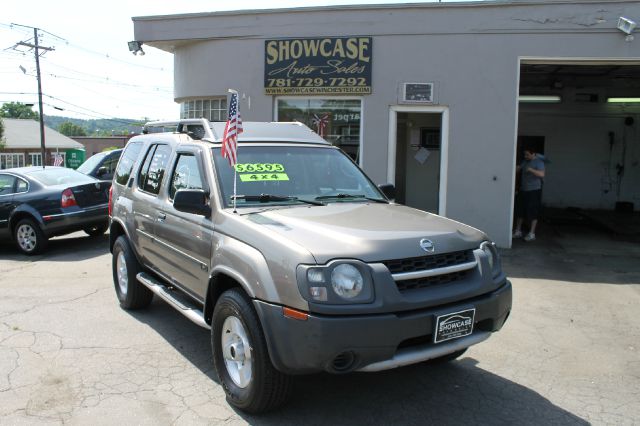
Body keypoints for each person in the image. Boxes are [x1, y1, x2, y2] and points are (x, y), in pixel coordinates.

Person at [513, 148, 546, 242]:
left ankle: (531, 234)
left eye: (527, 154)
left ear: (533, 154)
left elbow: (542, 174)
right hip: (524, 190)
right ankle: (518, 231)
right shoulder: (525, 161)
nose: (525, 156)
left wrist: (531, 170)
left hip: (534, 191)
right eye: (525, 154)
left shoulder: (539, 162)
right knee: (520, 211)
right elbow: (518, 169)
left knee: (533, 211)